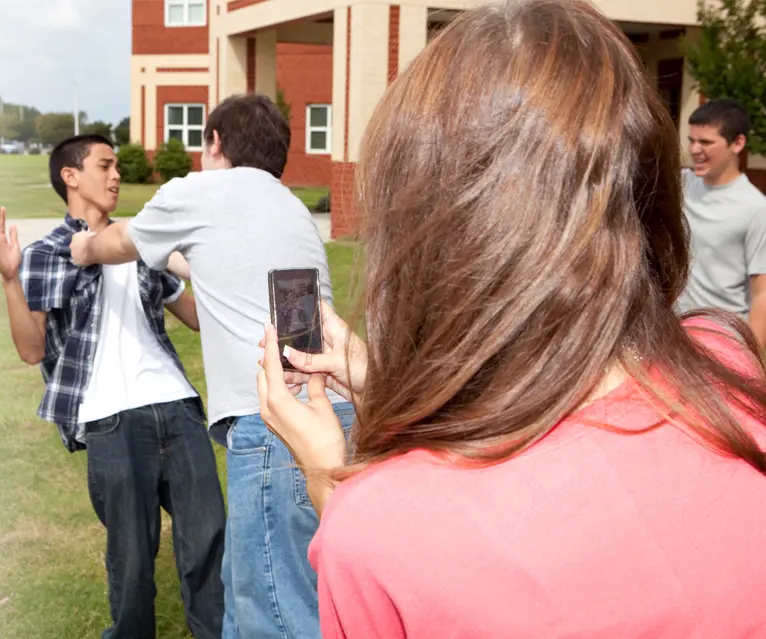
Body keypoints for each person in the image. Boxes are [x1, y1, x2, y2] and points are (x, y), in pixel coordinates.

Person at [255, 1, 766, 637]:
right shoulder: (726, 362)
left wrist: (328, 474)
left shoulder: (384, 528)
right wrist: (386, 380)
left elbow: (406, 560)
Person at [69, 96, 356, 639]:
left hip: (273, 427)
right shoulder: (288, 207)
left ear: (216, 143)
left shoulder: (197, 192)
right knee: (261, 590)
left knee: (272, 609)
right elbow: (214, 262)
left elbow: (117, 241)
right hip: (332, 414)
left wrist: (82, 247)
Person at [0, 133, 226, 639]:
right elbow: (31, 349)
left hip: (176, 406)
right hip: (111, 417)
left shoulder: (140, 243)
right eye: (105, 165)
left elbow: (198, 317)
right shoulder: (49, 253)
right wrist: (9, 278)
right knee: (132, 559)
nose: (117, 176)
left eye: (117, 167)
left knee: (209, 542)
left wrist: (221, 267)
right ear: (71, 176)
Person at [676, 98, 766, 347]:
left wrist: (752, 362)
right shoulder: (681, 185)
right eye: (692, 141)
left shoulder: (756, 209)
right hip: (676, 334)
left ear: (737, 143)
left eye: (706, 142)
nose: (695, 150)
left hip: (723, 342)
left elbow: (762, 294)